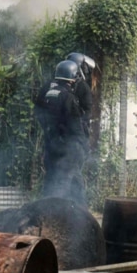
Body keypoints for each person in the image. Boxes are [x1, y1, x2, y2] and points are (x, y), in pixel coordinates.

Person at [40, 60, 89, 206]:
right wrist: (84, 145)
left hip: (52, 145)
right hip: (68, 147)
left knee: (60, 180)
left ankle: (79, 213)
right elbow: (75, 125)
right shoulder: (68, 97)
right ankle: (55, 214)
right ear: (72, 78)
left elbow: (41, 117)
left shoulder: (48, 94)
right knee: (63, 183)